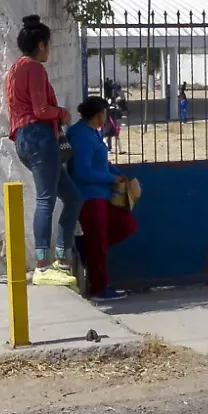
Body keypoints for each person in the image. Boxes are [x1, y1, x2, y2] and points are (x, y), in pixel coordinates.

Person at [4, 15, 78, 287]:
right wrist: (63, 114)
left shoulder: (14, 70)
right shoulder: (34, 68)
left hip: (25, 139)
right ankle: (43, 266)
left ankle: (61, 258)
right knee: (46, 199)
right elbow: (41, 110)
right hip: (38, 136)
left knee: (73, 197)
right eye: (49, 44)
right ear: (41, 44)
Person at [67, 97, 136, 300]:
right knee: (97, 242)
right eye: (105, 113)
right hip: (89, 196)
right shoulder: (80, 136)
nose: (107, 117)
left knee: (125, 225)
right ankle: (99, 288)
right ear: (99, 114)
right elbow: (81, 171)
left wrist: (118, 174)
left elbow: (101, 163)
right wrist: (110, 178)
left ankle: (84, 247)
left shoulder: (92, 134)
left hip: (101, 195)